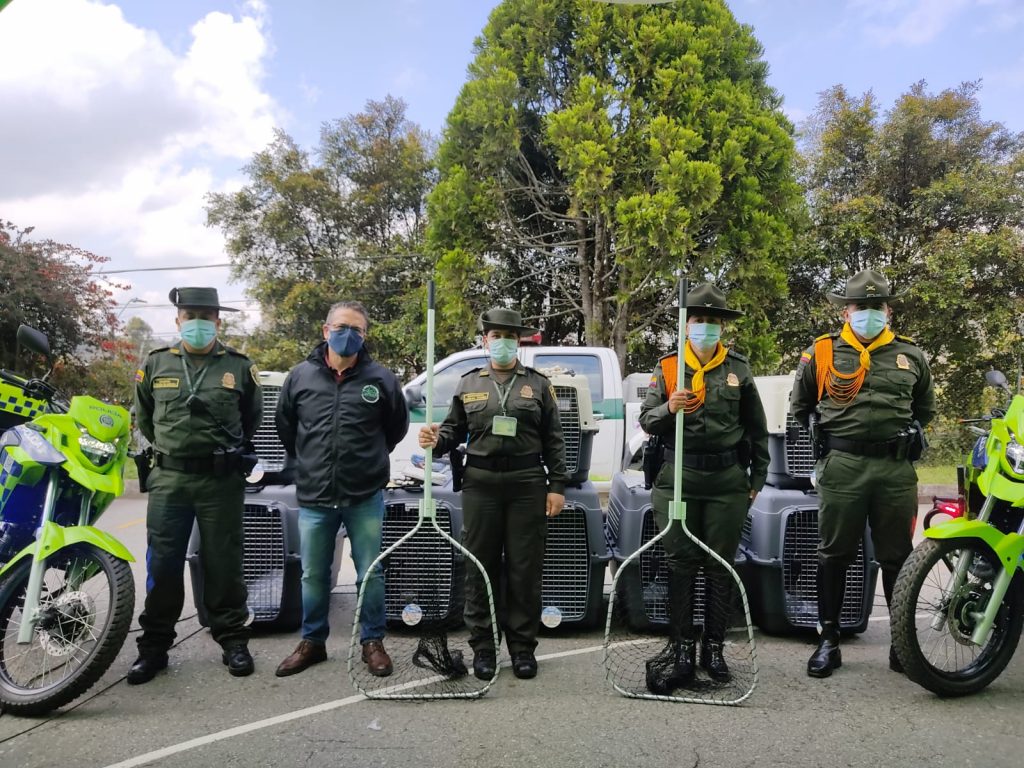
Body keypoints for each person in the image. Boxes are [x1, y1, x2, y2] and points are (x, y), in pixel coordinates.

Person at [790, 268, 935, 678]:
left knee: (897, 557)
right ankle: (828, 641)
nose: (868, 313)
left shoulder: (911, 355)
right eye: (860, 306)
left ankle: (900, 645)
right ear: (846, 312)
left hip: (894, 468)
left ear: (888, 312)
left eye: (877, 306)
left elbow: (924, 410)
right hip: (843, 466)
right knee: (834, 553)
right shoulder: (822, 352)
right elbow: (800, 408)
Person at [418, 307, 567, 680]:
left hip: (526, 483)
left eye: (509, 337)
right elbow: (452, 431)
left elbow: (554, 439)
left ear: (519, 342)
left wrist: (557, 486)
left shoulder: (538, 384)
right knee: (479, 567)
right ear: (485, 341)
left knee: (524, 569)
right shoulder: (469, 382)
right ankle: (484, 648)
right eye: (496, 336)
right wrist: (435, 439)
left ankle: (522, 648)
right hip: (480, 483)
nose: (502, 342)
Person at [128, 287, 262, 685]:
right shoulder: (156, 363)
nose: (198, 323)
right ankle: (154, 647)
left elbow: (251, 419)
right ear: (178, 320)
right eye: (191, 316)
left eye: (206, 316)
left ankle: (233, 639)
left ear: (218, 322)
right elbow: (145, 419)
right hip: (170, 480)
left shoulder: (239, 366)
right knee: (162, 563)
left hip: (221, 481)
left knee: (225, 562)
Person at [639, 283, 769, 686]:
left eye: (713, 321)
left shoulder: (738, 369)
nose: (706, 327)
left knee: (719, 565)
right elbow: (646, 420)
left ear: (722, 328)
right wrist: (669, 407)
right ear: (686, 325)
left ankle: (713, 649)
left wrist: (757, 478)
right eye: (699, 320)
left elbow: (757, 429)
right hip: (678, 478)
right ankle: (681, 649)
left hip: (726, 482)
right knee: (680, 563)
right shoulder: (668, 367)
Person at [274, 301, 409, 678]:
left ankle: (373, 642)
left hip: (364, 494)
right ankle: (312, 642)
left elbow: (395, 428)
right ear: (325, 330)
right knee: (313, 574)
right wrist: (312, 461)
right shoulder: (300, 376)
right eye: (341, 327)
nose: (348, 335)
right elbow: (287, 427)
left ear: (365, 336)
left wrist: (367, 460)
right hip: (315, 495)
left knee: (370, 572)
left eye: (356, 330)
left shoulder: (381, 378)